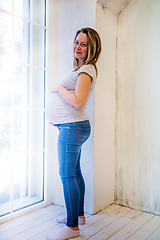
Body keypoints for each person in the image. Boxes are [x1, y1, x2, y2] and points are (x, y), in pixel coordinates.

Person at [45, 27, 101, 240]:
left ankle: (72, 228)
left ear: (91, 48)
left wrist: (59, 88)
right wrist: (59, 120)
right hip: (71, 126)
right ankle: (78, 216)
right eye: (77, 42)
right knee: (75, 172)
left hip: (73, 126)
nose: (78, 46)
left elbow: (78, 102)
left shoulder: (86, 71)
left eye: (83, 44)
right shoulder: (83, 69)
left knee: (67, 175)